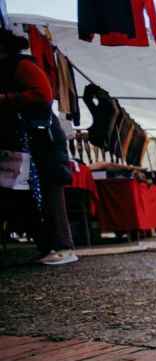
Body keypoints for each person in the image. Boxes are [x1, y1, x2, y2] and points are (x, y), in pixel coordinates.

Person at [0, 28, 75, 265]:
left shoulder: (21, 65)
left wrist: (6, 99)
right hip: (25, 141)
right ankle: (48, 246)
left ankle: (63, 247)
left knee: (49, 190)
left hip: (41, 140)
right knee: (31, 195)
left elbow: (44, 94)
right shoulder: (10, 67)